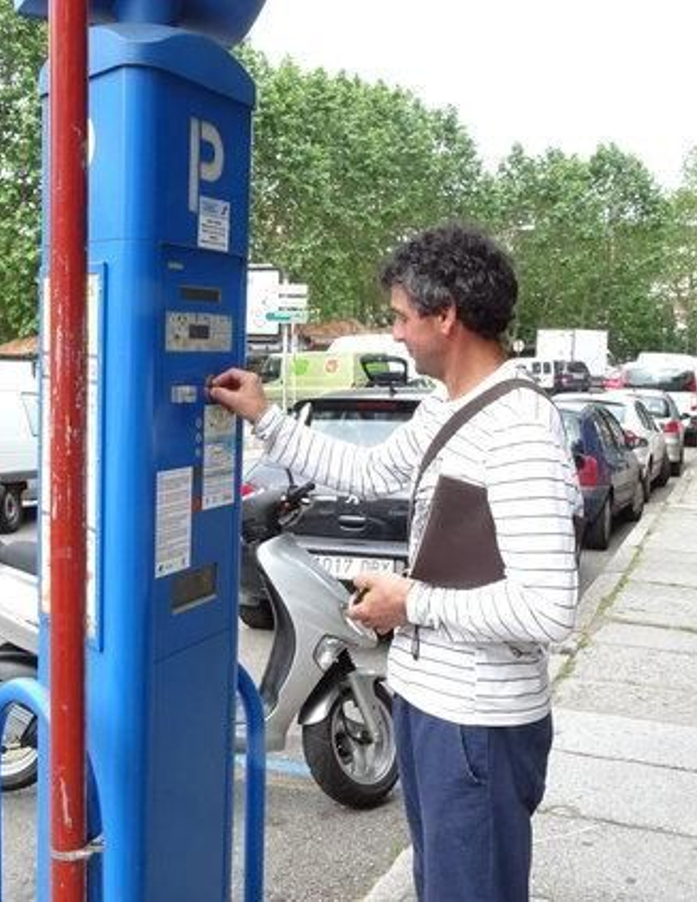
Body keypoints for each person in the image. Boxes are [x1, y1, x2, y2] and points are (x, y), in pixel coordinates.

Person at [209, 224, 581, 901]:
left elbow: (548, 609)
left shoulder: (519, 428)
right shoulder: (450, 406)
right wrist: (265, 417)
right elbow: (371, 470)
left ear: (447, 316)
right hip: (435, 707)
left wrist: (409, 602)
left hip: (477, 724)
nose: (397, 333)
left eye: (402, 317)